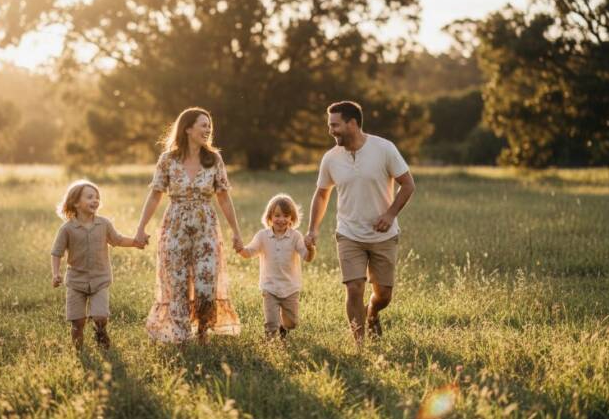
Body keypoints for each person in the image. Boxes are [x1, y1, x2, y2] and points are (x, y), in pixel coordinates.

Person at [305, 101, 416, 344]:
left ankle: (373, 312)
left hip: (383, 235)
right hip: (348, 234)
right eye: (329, 125)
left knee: (384, 294)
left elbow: (408, 185)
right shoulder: (331, 158)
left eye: (335, 125)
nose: (331, 130)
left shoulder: (384, 148)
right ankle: (360, 345)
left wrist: (390, 215)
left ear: (352, 123)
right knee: (354, 288)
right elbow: (322, 194)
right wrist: (312, 229)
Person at [135, 107, 243, 344]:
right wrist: (141, 228)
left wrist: (236, 232)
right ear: (187, 128)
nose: (208, 129)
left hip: (206, 227)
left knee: (206, 283)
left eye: (209, 126)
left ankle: (203, 332)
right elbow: (155, 194)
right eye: (203, 125)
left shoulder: (213, 159)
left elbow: (223, 197)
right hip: (175, 227)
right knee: (178, 283)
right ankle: (181, 336)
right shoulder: (168, 160)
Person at [51, 180, 145, 350]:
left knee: (100, 317)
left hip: (100, 279)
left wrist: (136, 242)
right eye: (89, 197)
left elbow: (118, 240)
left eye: (97, 197)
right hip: (76, 282)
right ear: (75, 203)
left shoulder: (104, 224)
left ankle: (101, 336)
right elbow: (56, 252)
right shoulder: (67, 229)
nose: (95, 200)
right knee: (77, 322)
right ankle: (79, 352)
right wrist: (55, 274)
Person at [237, 194, 315, 341]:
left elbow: (307, 257)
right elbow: (249, 252)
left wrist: (311, 249)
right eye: (277, 215)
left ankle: (283, 328)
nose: (281, 219)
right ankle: (271, 344)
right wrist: (241, 249)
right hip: (270, 287)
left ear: (292, 218)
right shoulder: (262, 236)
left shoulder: (295, 237)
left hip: (290, 288)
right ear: (270, 217)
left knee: (292, 323)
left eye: (286, 216)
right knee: (271, 323)